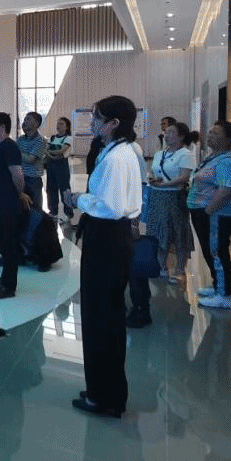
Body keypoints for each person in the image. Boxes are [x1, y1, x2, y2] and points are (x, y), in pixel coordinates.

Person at [63, 95, 142, 418]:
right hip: (111, 236)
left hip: (107, 237)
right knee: (104, 315)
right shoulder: (121, 151)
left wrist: (79, 200)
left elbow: (110, 207)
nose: (92, 122)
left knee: (101, 317)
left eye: (97, 117)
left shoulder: (116, 158)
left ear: (113, 123)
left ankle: (104, 396)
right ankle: (104, 388)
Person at [187, 120, 231, 310]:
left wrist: (208, 211)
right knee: (210, 251)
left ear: (229, 139)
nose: (210, 135)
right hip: (205, 212)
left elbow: (225, 191)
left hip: (216, 214)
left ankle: (224, 295)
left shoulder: (228, 161)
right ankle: (218, 286)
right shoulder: (215, 157)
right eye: (210, 132)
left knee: (216, 251)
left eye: (216, 133)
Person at [0, 112, 33, 299]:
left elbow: (18, 174)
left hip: (7, 204)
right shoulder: (0, 147)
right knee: (2, 244)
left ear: (1, 127)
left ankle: (8, 286)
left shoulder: (9, 147)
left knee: (8, 245)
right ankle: (4, 278)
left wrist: (20, 193)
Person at [147, 121, 198, 282]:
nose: (166, 135)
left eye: (171, 132)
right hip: (157, 197)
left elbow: (184, 177)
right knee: (159, 231)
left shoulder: (186, 154)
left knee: (178, 232)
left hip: (175, 197)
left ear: (181, 136)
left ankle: (180, 270)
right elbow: (155, 172)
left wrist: (165, 185)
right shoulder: (159, 154)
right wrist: (154, 180)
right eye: (166, 132)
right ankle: (162, 266)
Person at [16, 112, 47, 210]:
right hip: (20, 178)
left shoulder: (40, 140)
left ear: (37, 124)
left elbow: (31, 159)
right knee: (21, 207)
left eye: (28, 119)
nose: (25, 121)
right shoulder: (20, 139)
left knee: (35, 208)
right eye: (25, 119)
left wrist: (16, 152)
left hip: (33, 180)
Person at [45, 117, 74, 221]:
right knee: (51, 189)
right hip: (51, 167)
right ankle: (53, 212)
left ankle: (68, 213)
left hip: (62, 167)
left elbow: (61, 151)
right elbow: (46, 149)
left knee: (64, 190)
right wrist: (53, 155)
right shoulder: (53, 137)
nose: (58, 126)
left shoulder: (68, 138)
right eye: (58, 123)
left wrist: (50, 153)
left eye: (61, 124)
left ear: (67, 127)